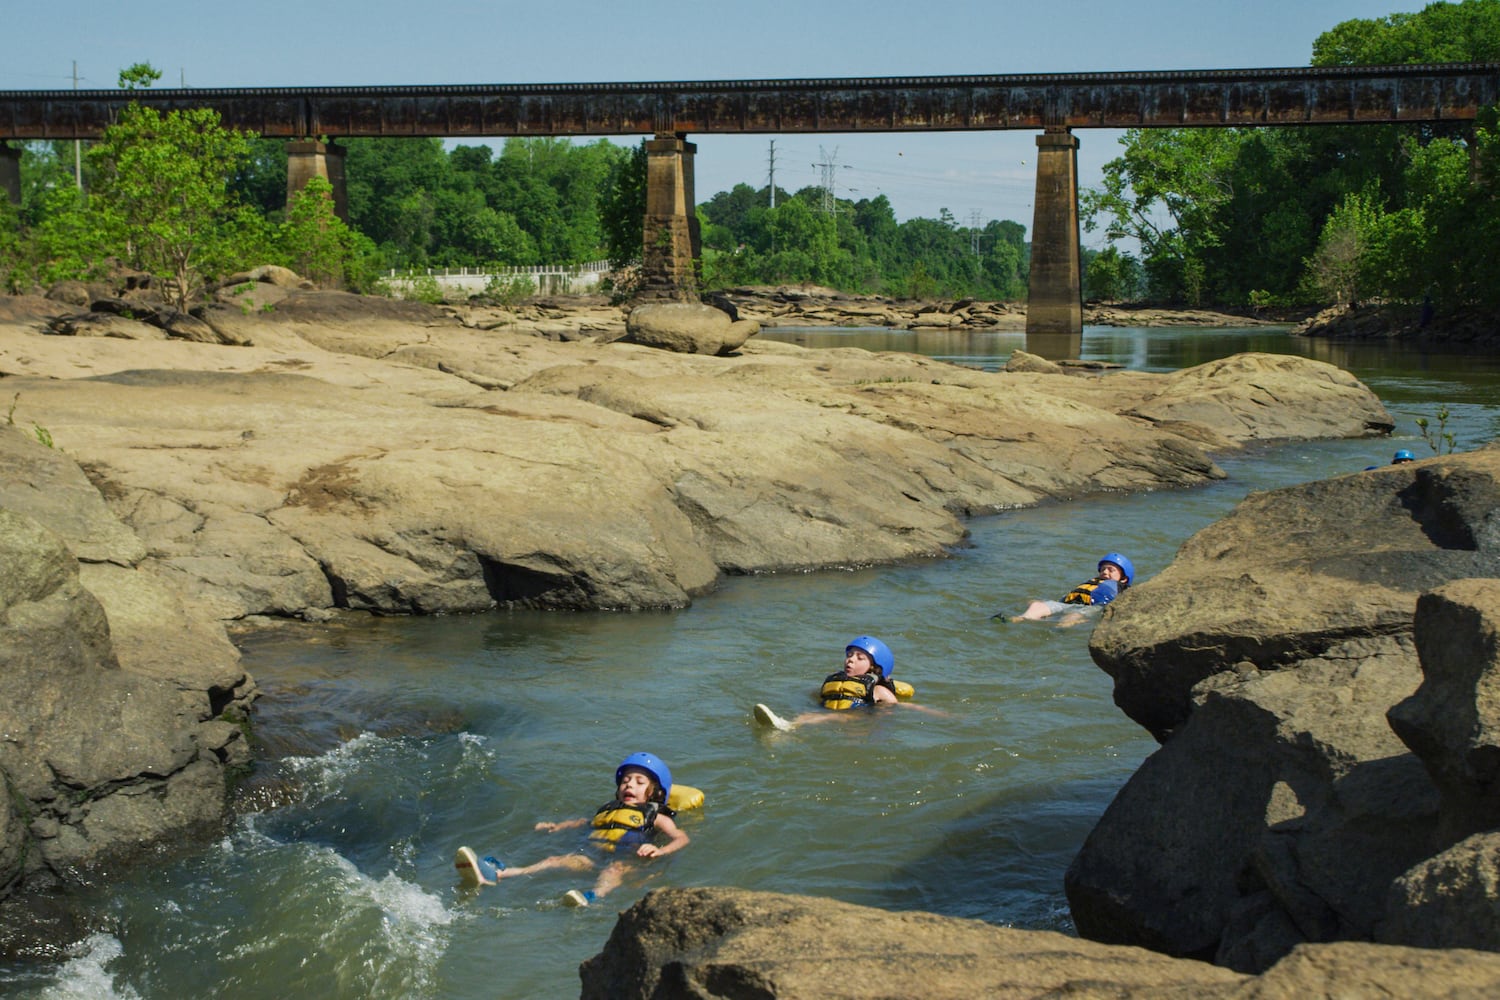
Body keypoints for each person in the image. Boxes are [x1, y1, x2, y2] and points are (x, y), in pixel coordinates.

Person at [453, 752, 689, 907]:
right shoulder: (607, 811)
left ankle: (593, 896)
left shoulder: (656, 817)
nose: (630, 784)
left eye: (639, 782)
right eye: (626, 781)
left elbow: (681, 837)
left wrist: (659, 851)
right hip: (593, 857)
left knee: (613, 871)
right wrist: (556, 826)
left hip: (626, 860)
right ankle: (500, 874)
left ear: (655, 793)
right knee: (555, 859)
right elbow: (584, 823)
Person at [753, 635, 903, 731]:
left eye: (859, 658)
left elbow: (895, 706)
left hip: (857, 718)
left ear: (874, 668)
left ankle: (787, 727)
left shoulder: (878, 690)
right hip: (832, 711)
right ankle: (787, 725)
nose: (850, 659)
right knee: (807, 715)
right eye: (849, 655)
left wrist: (924, 710)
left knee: (831, 717)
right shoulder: (836, 680)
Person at [1010, 553, 1134, 624]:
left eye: (1111, 570)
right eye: (1103, 569)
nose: (1105, 572)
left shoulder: (1121, 587)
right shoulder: (1095, 582)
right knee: (1036, 604)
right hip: (1068, 604)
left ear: (1124, 578)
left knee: (1072, 616)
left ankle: (1058, 631)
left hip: (1089, 608)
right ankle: (1021, 618)